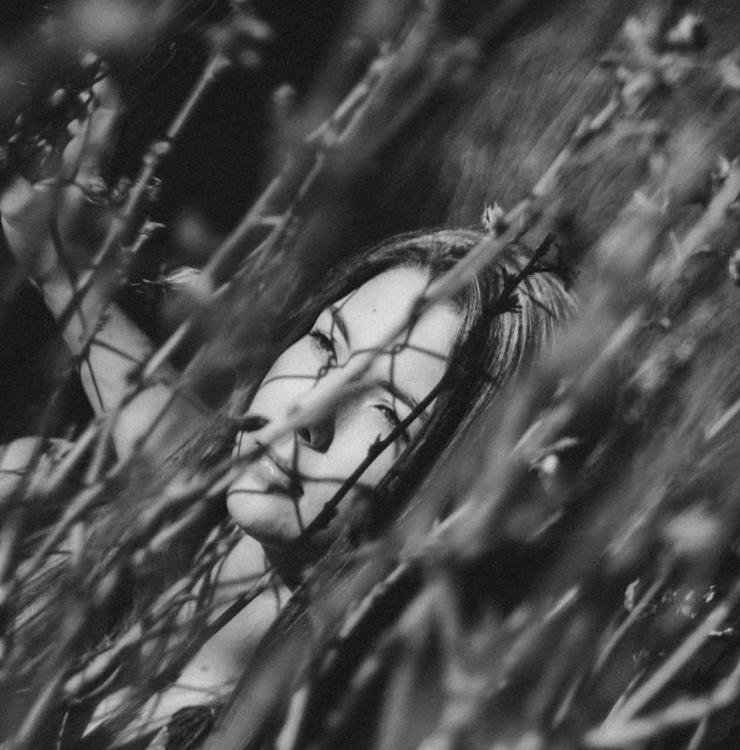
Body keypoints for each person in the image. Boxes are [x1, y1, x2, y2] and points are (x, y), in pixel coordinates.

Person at [0, 86, 573, 747]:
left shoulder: (315, 721)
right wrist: (59, 261)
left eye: (387, 411)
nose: (307, 411)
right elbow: (171, 438)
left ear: (455, 500)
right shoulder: (178, 531)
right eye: (327, 345)